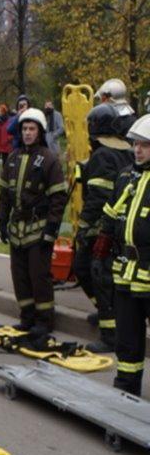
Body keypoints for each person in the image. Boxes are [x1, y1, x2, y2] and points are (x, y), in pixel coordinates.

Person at [0, 108, 68, 337]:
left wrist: (51, 229)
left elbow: (58, 198)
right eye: (24, 129)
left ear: (40, 132)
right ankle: (26, 318)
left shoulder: (49, 159)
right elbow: (4, 194)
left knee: (39, 277)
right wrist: (1, 220)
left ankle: (45, 322)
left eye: (32, 129)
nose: (27, 133)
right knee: (20, 277)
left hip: (38, 229)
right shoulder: (12, 158)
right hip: (17, 229)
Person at [74, 103, 133, 352]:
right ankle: (108, 313)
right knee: (107, 276)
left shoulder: (102, 155)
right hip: (122, 226)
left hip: (102, 227)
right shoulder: (125, 152)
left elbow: (97, 196)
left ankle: (110, 333)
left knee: (93, 273)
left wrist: (84, 228)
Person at [101, 114, 150, 395]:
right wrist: (100, 254)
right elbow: (111, 216)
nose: (137, 150)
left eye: (144, 145)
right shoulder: (127, 178)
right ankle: (126, 386)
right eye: (135, 144)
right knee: (128, 336)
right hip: (127, 272)